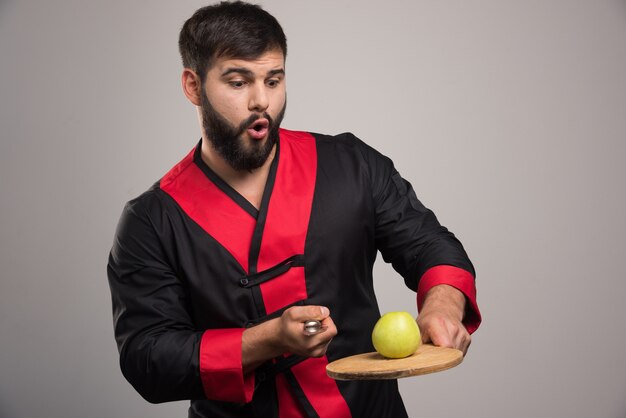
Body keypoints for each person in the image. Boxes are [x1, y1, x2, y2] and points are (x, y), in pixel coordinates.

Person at [107, 2, 482, 417]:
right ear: (193, 86)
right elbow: (147, 358)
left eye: (274, 80)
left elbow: (431, 244)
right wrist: (266, 340)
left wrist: (443, 307)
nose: (260, 101)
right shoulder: (152, 219)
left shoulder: (350, 165)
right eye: (237, 82)